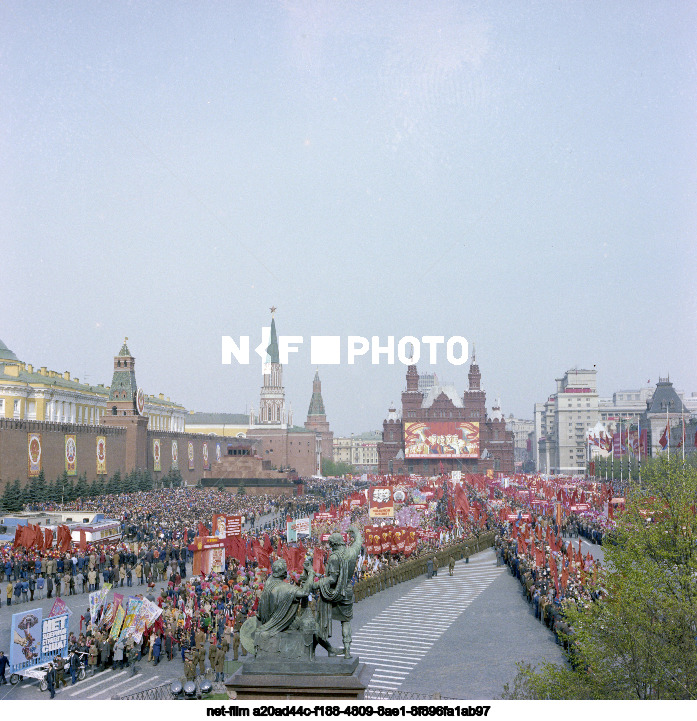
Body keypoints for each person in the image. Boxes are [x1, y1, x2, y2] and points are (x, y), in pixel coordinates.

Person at [313, 526, 362, 659]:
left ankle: (313, 649)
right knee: (346, 622)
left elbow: (333, 578)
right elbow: (359, 541)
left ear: (333, 544)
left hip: (334, 594)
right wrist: (355, 531)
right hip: (347, 591)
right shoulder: (351, 552)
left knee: (319, 620)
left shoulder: (334, 557)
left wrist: (317, 584)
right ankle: (347, 651)